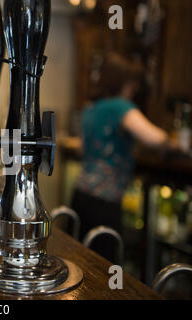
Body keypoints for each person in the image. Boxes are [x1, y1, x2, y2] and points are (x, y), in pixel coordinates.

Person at [71, 53, 176, 259]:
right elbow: (154, 138)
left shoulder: (91, 108)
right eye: (132, 83)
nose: (134, 89)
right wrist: (176, 144)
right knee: (105, 265)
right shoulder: (121, 107)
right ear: (124, 83)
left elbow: (81, 149)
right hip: (105, 200)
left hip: (81, 194)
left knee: (82, 261)